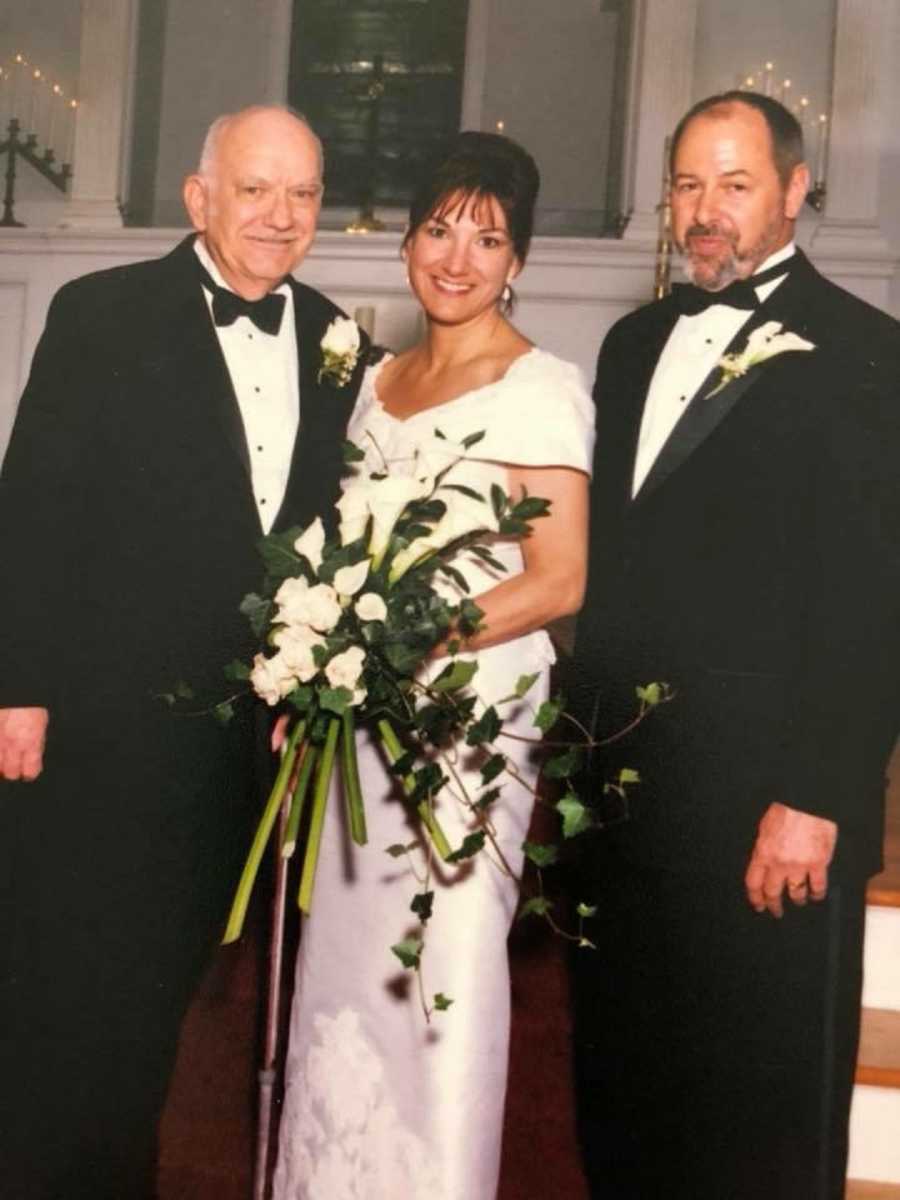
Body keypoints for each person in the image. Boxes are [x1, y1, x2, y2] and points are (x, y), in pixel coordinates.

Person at [0, 106, 371, 1199]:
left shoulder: (338, 342)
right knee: (71, 998)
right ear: (199, 197)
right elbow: (33, 510)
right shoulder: (100, 313)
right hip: (102, 729)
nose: (280, 215)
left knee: (166, 997)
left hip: (237, 752)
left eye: (302, 194)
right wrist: (15, 687)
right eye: (254, 189)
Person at [569, 91, 900, 1199]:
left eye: (736, 183)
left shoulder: (867, 352)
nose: (704, 213)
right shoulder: (628, 347)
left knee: (760, 1127)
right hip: (627, 814)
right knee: (628, 1104)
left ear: (797, 191)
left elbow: (872, 600)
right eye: (687, 185)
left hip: (771, 814)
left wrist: (815, 796)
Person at [271, 132, 594, 1200]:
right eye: (439, 229)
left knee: (439, 963)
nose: (457, 258)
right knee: (344, 965)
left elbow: (557, 579)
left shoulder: (542, 388)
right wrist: (321, 663)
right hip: (359, 728)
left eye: (488, 238)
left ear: (519, 260)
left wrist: (397, 644)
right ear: (409, 239)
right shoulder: (379, 381)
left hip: (466, 727)